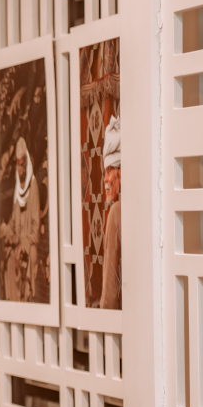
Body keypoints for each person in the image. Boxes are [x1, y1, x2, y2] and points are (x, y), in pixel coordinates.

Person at [1, 137, 41, 302]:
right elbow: (13, 221)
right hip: (18, 242)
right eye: (18, 166)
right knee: (7, 257)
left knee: (29, 255)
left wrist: (23, 245)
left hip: (28, 245)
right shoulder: (18, 189)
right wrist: (5, 229)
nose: (21, 170)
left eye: (23, 166)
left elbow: (36, 231)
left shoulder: (33, 187)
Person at [95, 115, 122, 310]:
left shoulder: (116, 212)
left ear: (120, 172)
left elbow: (110, 291)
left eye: (108, 171)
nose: (105, 179)